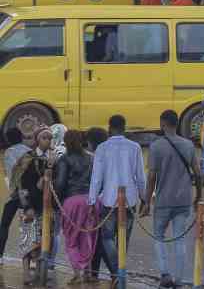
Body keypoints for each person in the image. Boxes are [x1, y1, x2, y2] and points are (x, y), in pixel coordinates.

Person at [141, 110, 200, 288]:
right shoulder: (189, 145)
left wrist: (145, 202)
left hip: (163, 200)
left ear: (162, 124)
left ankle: (165, 274)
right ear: (176, 123)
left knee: (158, 236)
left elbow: (151, 177)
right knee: (179, 239)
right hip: (183, 200)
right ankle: (180, 280)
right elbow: (198, 173)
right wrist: (199, 196)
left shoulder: (156, 146)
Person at [88, 115, 147, 288]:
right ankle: (119, 272)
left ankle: (116, 271)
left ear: (110, 127)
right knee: (124, 239)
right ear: (124, 127)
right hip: (129, 200)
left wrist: (91, 200)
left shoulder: (102, 148)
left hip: (108, 200)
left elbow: (96, 178)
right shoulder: (135, 147)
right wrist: (145, 199)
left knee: (107, 238)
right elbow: (141, 177)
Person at [55, 130, 97, 284]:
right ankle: (88, 272)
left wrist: (55, 201)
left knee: (71, 239)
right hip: (91, 200)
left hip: (72, 201)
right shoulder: (92, 158)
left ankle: (77, 274)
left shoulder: (64, 159)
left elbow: (59, 184)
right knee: (88, 237)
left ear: (66, 142)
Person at [13, 126, 54, 284]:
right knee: (27, 239)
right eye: (44, 137)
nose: (47, 141)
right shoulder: (27, 157)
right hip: (30, 205)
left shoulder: (53, 157)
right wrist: (26, 206)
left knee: (44, 240)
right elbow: (20, 184)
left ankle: (39, 271)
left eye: (50, 138)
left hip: (47, 206)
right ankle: (25, 273)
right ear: (37, 139)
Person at [84, 127, 112, 283]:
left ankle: (102, 273)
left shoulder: (94, 159)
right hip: (111, 202)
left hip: (98, 204)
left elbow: (94, 183)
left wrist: (91, 202)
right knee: (103, 240)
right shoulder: (109, 156)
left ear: (90, 143)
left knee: (98, 240)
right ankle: (108, 273)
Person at [0, 127, 30, 264]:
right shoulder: (29, 151)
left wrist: (13, 192)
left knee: (5, 224)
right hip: (29, 194)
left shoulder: (9, 152)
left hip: (16, 194)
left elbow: (11, 174)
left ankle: (0, 254)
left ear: (8, 139)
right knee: (30, 226)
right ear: (22, 137)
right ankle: (31, 259)